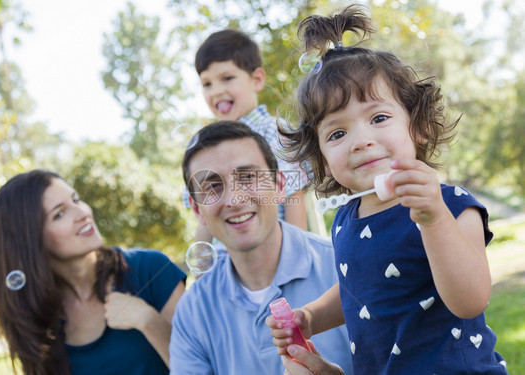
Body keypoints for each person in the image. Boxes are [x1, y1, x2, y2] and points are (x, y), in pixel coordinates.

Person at [267, 5, 508, 374]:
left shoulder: (451, 205)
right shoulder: (346, 218)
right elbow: (360, 288)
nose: (361, 141)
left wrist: (433, 218)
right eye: (337, 133)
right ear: (322, 159)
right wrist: (312, 316)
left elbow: (470, 300)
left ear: (419, 127)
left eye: (378, 118)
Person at [169, 121, 353, 375]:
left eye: (247, 177)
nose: (235, 199)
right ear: (197, 209)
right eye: (213, 186)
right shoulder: (192, 311)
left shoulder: (348, 266)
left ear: (279, 186)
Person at [0, 170, 186, 375]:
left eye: (76, 200)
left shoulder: (151, 269)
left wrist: (150, 321)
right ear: (31, 242)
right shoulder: (35, 314)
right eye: (59, 214)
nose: (83, 213)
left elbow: (205, 367)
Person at [185, 28, 313, 245]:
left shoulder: (275, 131)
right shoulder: (202, 145)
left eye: (227, 78)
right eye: (207, 83)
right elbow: (205, 219)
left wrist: (298, 258)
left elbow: (294, 198)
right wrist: (202, 272)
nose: (215, 91)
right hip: (226, 266)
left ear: (256, 79)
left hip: (272, 259)